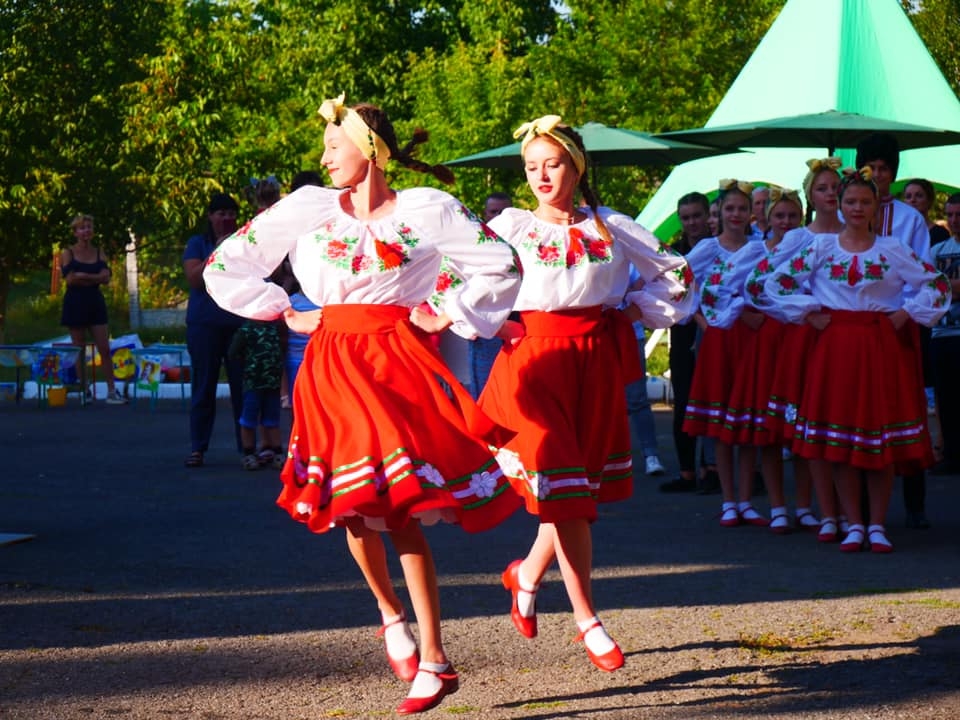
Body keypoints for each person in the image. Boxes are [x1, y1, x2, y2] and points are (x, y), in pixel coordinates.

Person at [203, 95, 523, 715]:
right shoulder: (310, 209)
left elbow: (500, 264)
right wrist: (284, 309)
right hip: (329, 363)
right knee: (351, 508)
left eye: (333, 145)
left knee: (401, 503)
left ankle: (434, 657)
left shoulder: (427, 210)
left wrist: (446, 310)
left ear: (369, 149)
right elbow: (228, 263)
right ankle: (390, 615)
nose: (324, 158)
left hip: (395, 363)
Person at [480, 115, 694, 673]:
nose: (541, 176)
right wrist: (497, 322)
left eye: (552, 164)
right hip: (534, 362)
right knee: (566, 491)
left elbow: (674, 274)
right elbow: (460, 275)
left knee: (570, 492)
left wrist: (633, 308)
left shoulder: (611, 225)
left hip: (592, 362)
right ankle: (587, 618)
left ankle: (525, 575)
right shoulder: (511, 226)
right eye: (531, 167)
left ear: (576, 164)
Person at [762, 167, 949, 553]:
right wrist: (809, 311)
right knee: (841, 439)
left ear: (877, 206)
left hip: (878, 346)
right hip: (834, 347)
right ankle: (852, 522)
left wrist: (906, 312)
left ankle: (876, 524)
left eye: (866, 201)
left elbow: (936, 283)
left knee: (876, 440)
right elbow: (776, 283)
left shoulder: (892, 249)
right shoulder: (820, 248)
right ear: (840, 205)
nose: (858, 208)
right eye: (851, 201)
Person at [856, 134, 934, 535]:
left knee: (905, 408)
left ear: (894, 172)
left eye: (885, 168)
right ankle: (862, 510)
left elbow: (924, 275)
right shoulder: (850, 216)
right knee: (861, 410)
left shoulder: (910, 219)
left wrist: (905, 314)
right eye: (871, 167)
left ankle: (915, 502)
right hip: (858, 330)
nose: (878, 175)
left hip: (900, 325)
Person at [720, 186, 807, 533]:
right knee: (766, 430)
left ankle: (804, 506)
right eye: (779, 216)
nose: (785, 222)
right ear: (766, 219)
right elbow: (717, 286)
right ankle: (777, 506)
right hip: (766, 344)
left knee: (801, 428)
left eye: (792, 216)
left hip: (800, 341)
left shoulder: (810, 248)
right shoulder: (754, 252)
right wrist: (741, 313)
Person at [683, 179, 769, 528]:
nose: (735, 214)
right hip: (718, 340)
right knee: (720, 423)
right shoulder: (707, 248)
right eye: (729, 208)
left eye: (742, 208)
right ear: (719, 213)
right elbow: (680, 282)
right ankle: (728, 499)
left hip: (751, 339)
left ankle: (747, 499)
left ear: (751, 213)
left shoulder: (761, 249)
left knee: (747, 420)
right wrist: (702, 321)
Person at [658, 192, 719, 494]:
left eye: (697, 215)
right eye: (686, 217)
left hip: (718, 330)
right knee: (683, 401)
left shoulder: (722, 245)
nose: (692, 222)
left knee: (714, 400)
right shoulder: (674, 252)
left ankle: (713, 468)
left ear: (708, 215)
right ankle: (686, 472)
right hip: (684, 335)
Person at [182, 193, 246, 468]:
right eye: (221, 213)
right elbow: (195, 279)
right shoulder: (198, 243)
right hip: (204, 325)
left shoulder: (244, 243)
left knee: (242, 390)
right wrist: (217, 251)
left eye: (231, 213)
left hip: (237, 324)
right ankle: (198, 447)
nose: (226, 219)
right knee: (203, 387)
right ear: (210, 216)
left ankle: (248, 448)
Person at [58, 214, 126, 404]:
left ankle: (112, 391)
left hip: (95, 301)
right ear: (75, 232)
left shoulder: (99, 252)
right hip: (75, 302)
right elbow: (70, 278)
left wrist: (84, 275)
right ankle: (84, 389)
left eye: (88, 227)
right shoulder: (68, 253)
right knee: (78, 349)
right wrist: (93, 276)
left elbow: (105, 276)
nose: (86, 231)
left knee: (104, 347)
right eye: (81, 228)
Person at [466, 192, 514, 399]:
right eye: (494, 212)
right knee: (486, 393)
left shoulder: (524, 240)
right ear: (485, 214)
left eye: (503, 212)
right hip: (486, 327)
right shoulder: (474, 244)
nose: (499, 216)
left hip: (518, 323)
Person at [928, 193, 960, 485]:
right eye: (949, 214)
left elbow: (939, 286)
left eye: (958, 214)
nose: (953, 220)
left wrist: (945, 286)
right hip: (943, 332)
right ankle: (950, 452)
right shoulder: (937, 249)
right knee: (946, 398)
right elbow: (930, 287)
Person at [228, 318, 285, 470]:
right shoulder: (246, 330)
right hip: (253, 383)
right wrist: (250, 364)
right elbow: (233, 353)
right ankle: (248, 453)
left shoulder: (275, 329)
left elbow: (282, 350)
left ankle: (277, 451)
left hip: (272, 383)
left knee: (272, 419)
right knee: (248, 418)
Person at [903, 178, 950, 246]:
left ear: (929, 200)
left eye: (919, 196)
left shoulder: (940, 233)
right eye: (908, 196)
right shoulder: (898, 230)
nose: (912, 200)